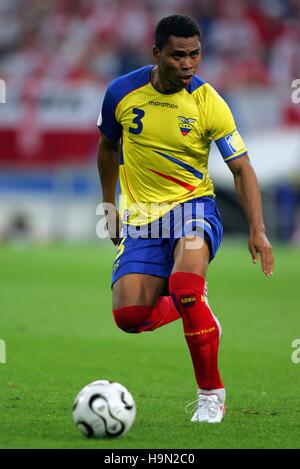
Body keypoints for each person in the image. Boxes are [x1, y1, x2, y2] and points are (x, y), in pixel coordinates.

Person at [97, 15, 274, 423]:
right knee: (129, 317)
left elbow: (242, 168)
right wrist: (109, 207)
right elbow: (107, 147)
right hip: (142, 218)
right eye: (179, 55)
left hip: (193, 207)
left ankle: (211, 394)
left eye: (195, 54)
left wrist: (258, 229)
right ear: (156, 54)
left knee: (184, 284)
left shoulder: (208, 101)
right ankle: (195, 307)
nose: (189, 64)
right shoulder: (121, 93)